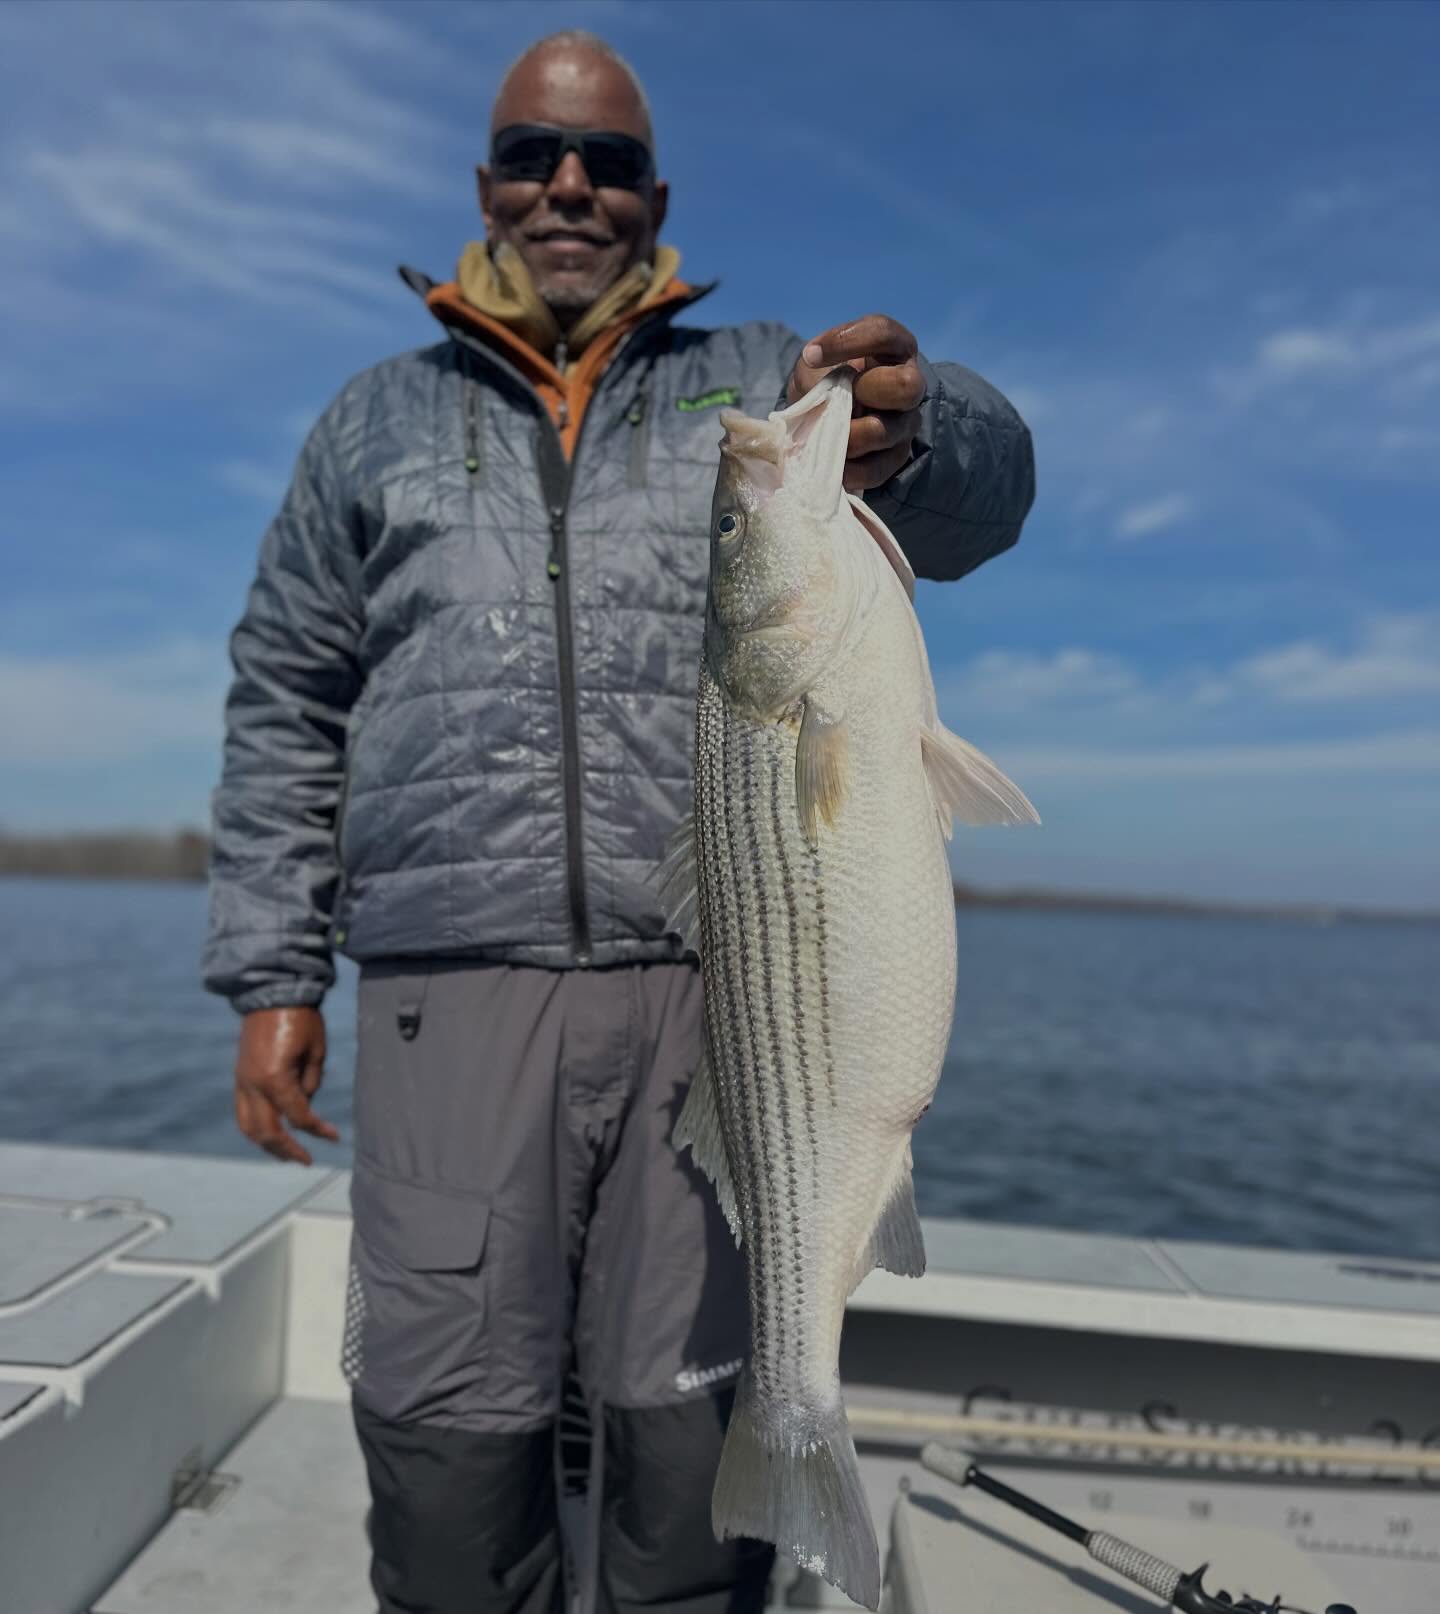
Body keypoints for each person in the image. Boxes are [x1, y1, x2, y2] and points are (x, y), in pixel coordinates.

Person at [202, 29, 1035, 1614]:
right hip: (452, 988)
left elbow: (989, 501)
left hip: (712, 987)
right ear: (487, 185)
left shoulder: (765, 380)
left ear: (659, 196)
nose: (570, 186)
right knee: (445, 1417)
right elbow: (283, 697)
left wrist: (927, 433)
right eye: (534, 154)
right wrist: (271, 974)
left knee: (682, 1423)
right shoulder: (373, 423)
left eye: (608, 164)